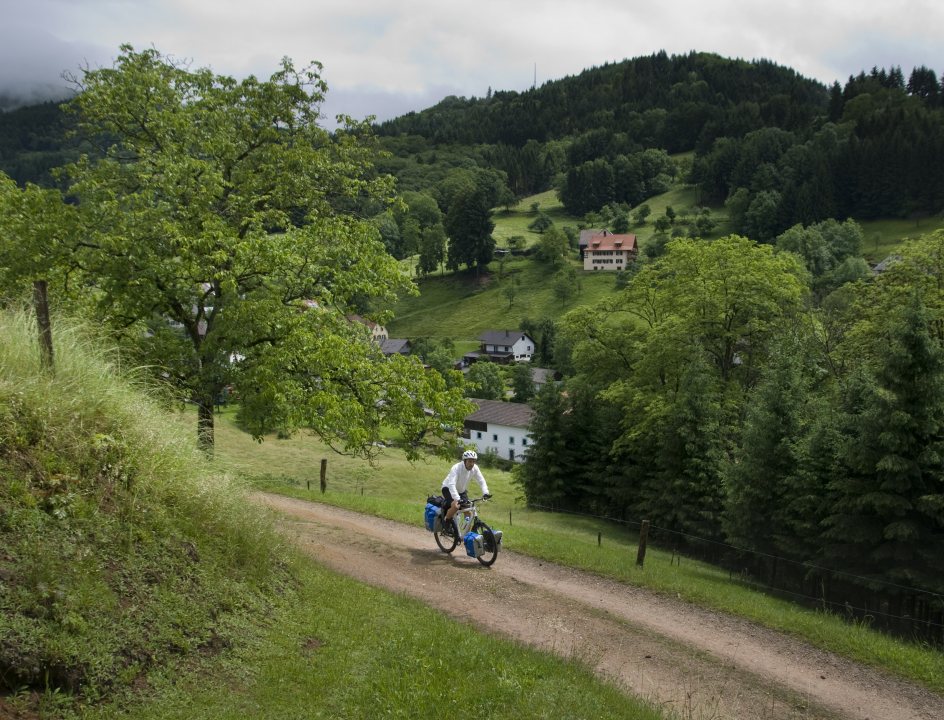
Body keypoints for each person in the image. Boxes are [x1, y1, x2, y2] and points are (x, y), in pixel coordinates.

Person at [441, 449, 491, 536]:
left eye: (473, 461)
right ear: (464, 461)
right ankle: (446, 525)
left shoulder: (475, 468)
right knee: (456, 506)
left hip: (461, 491)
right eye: (470, 461)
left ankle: (465, 534)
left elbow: (481, 480)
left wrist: (485, 492)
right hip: (448, 489)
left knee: (468, 513)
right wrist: (457, 499)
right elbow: (452, 484)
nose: (472, 464)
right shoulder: (456, 468)